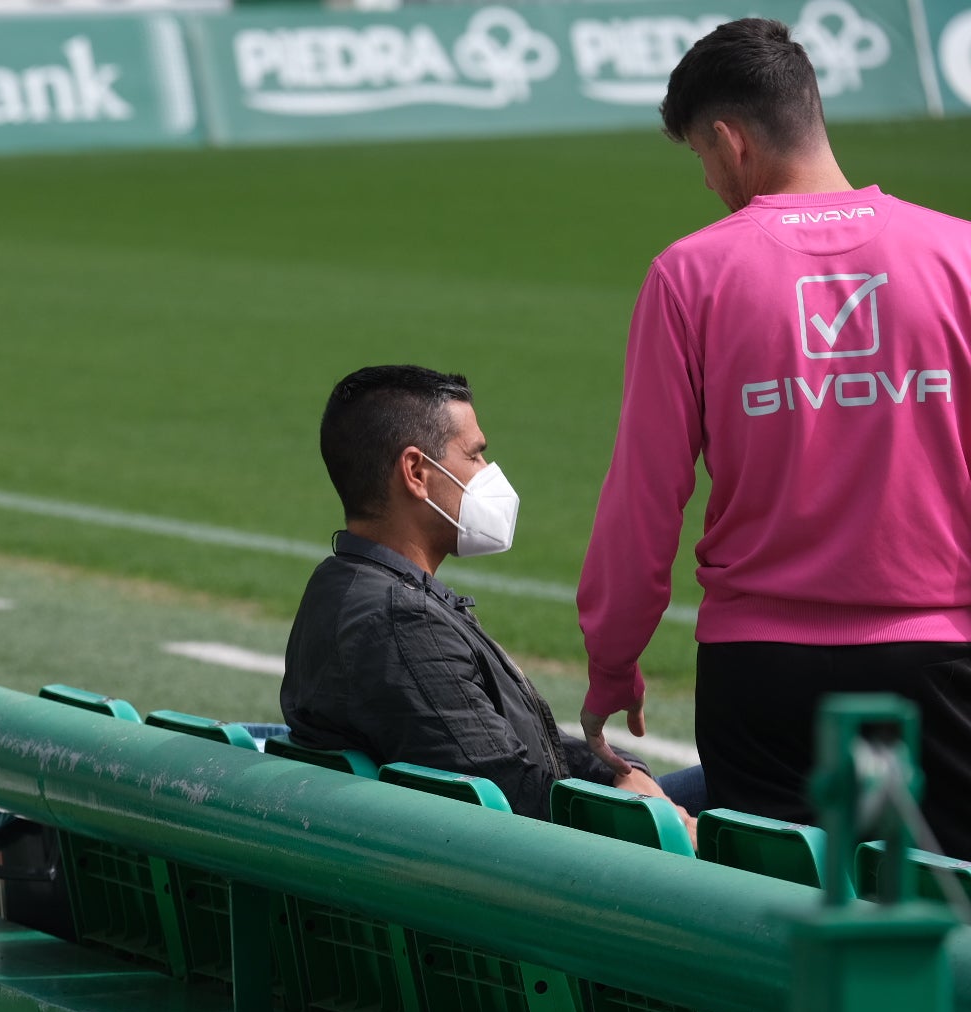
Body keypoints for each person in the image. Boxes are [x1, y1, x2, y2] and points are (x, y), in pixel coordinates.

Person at [577, 18, 971, 856]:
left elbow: (645, 495)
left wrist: (614, 659)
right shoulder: (960, 257)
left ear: (730, 140)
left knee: (772, 912)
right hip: (938, 658)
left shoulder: (689, 273)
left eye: (701, 157)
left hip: (761, 669)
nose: (710, 178)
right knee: (946, 909)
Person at [281, 365, 703, 830]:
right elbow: (516, 797)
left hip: (497, 841)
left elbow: (505, 751)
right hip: (547, 861)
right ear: (416, 472)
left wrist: (616, 773)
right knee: (763, 796)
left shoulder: (349, 583)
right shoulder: (400, 622)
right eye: (475, 455)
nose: (488, 473)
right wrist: (648, 814)